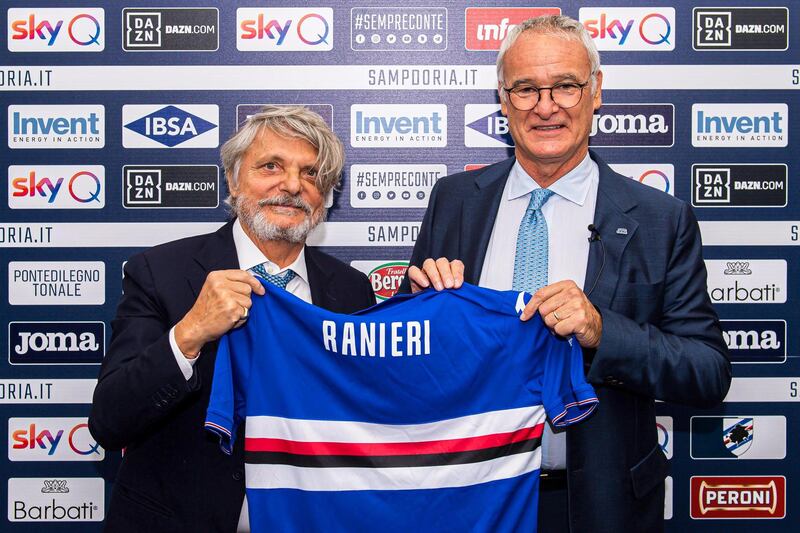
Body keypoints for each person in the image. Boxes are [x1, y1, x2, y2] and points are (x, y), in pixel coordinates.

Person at [402, 15, 730, 533]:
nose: (546, 106)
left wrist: (603, 332)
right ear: (504, 100)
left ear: (595, 92)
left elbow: (707, 370)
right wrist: (421, 310)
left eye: (566, 87)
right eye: (527, 88)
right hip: (467, 496)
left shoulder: (660, 219)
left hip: (600, 505)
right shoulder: (454, 201)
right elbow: (409, 357)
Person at [89, 105, 376, 532]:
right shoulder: (161, 273)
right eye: (271, 166)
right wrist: (190, 333)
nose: (292, 185)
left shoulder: (350, 290)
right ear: (233, 179)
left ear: (327, 194)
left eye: (311, 174)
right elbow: (110, 421)